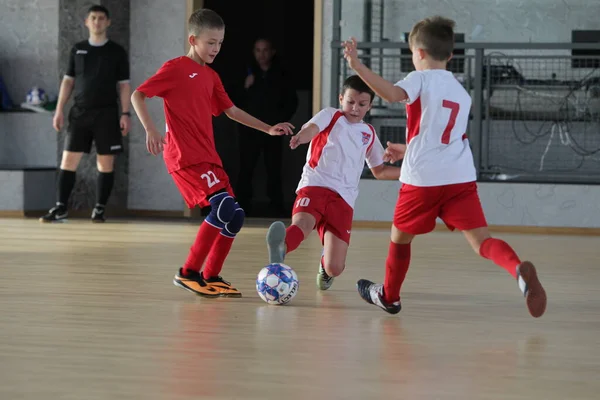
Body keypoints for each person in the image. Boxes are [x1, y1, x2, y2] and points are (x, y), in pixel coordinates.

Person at [342, 16, 547, 318]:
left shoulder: (419, 78)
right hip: (459, 176)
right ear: (450, 55)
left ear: (420, 54)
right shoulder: (461, 92)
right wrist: (408, 148)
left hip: (422, 179)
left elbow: (391, 94)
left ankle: (389, 296)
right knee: (482, 241)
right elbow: (444, 135)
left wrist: (358, 66)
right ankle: (517, 270)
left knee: (400, 238)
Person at [130, 8, 294, 298]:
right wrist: (151, 130)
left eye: (220, 43)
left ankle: (211, 276)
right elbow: (138, 95)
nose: (216, 48)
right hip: (184, 156)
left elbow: (231, 111)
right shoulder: (176, 68)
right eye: (210, 42)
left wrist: (268, 129)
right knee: (223, 208)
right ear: (193, 39)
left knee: (235, 216)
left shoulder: (211, 77)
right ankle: (188, 272)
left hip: (208, 157)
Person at [265, 75, 401, 290]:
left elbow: (380, 171)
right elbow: (312, 129)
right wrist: (301, 136)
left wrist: (408, 173)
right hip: (315, 184)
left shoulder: (369, 134)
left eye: (361, 104)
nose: (355, 108)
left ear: (370, 106)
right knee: (302, 224)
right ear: (341, 99)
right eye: (350, 102)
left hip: (343, 199)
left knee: (334, 268)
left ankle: (325, 263)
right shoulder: (331, 115)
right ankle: (280, 248)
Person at [40, 5, 130, 223]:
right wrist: (59, 110)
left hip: (107, 114)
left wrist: (126, 113)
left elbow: (125, 85)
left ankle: (99, 210)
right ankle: (60, 208)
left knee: (105, 164)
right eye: (93, 18)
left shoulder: (117, 51)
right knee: (68, 160)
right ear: (86, 22)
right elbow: (68, 81)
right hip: (79, 113)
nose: (97, 22)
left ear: (108, 22)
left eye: (101, 18)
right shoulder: (77, 49)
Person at [235, 37, 298, 216]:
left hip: (274, 130)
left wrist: (281, 122)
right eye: (258, 50)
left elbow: (292, 102)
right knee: (246, 168)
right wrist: (245, 86)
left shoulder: (282, 75)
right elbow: (232, 103)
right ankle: (242, 206)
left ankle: (276, 207)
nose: (261, 54)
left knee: (274, 168)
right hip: (249, 130)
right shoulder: (246, 73)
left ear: (272, 52)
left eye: (265, 50)